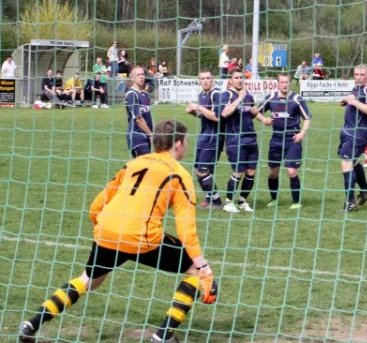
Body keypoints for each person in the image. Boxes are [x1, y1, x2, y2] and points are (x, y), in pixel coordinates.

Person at [18, 120, 218, 343]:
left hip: (108, 230)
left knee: (89, 280)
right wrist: (204, 267)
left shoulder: (133, 163)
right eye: (186, 141)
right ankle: (164, 335)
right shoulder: (179, 174)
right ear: (179, 144)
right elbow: (186, 229)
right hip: (142, 238)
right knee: (194, 270)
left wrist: (103, 228)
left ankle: (31, 324)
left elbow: (96, 205)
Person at [255, 73, 312, 209]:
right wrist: (264, 119)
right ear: (278, 83)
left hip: (292, 139)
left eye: (287, 82)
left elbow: (307, 118)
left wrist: (302, 133)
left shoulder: (297, 99)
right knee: (273, 172)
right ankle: (274, 199)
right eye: (282, 82)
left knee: (291, 171)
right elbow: (256, 112)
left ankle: (296, 202)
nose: (285, 85)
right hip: (276, 140)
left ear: (290, 83)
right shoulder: (271, 97)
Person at [220, 69, 262, 213]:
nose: (239, 80)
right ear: (230, 80)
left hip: (251, 138)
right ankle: (228, 202)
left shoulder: (248, 95)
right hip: (235, 139)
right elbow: (224, 113)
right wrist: (239, 98)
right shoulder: (226, 95)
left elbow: (252, 112)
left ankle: (242, 201)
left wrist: (258, 114)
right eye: (236, 77)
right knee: (238, 171)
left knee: (251, 172)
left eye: (241, 77)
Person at [337, 65, 367, 212]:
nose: (358, 77)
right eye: (356, 74)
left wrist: (354, 102)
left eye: (362, 74)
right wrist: (346, 101)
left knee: (346, 164)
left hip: (357, 134)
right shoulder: (357, 88)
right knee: (353, 163)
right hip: (348, 131)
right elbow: (355, 102)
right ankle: (365, 189)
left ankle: (350, 201)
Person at [186, 69, 224, 210]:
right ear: (199, 81)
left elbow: (217, 117)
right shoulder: (202, 94)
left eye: (208, 78)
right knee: (198, 169)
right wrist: (193, 112)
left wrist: (199, 107)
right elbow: (203, 115)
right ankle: (209, 199)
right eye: (202, 79)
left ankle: (217, 201)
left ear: (212, 79)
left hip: (213, 137)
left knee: (203, 170)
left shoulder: (216, 94)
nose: (205, 81)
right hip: (204, 136)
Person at [125, 67, 153, 157]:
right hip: (137, 137)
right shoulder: (131, 94)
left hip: (146, 136)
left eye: (143, 74)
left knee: (144, 168)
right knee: (144, 167)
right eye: (138, 75)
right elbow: (139, 119)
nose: (141, 77)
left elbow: (148, 116)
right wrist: (151, 134)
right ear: (133, 77)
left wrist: (154, 133)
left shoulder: (145, 94)